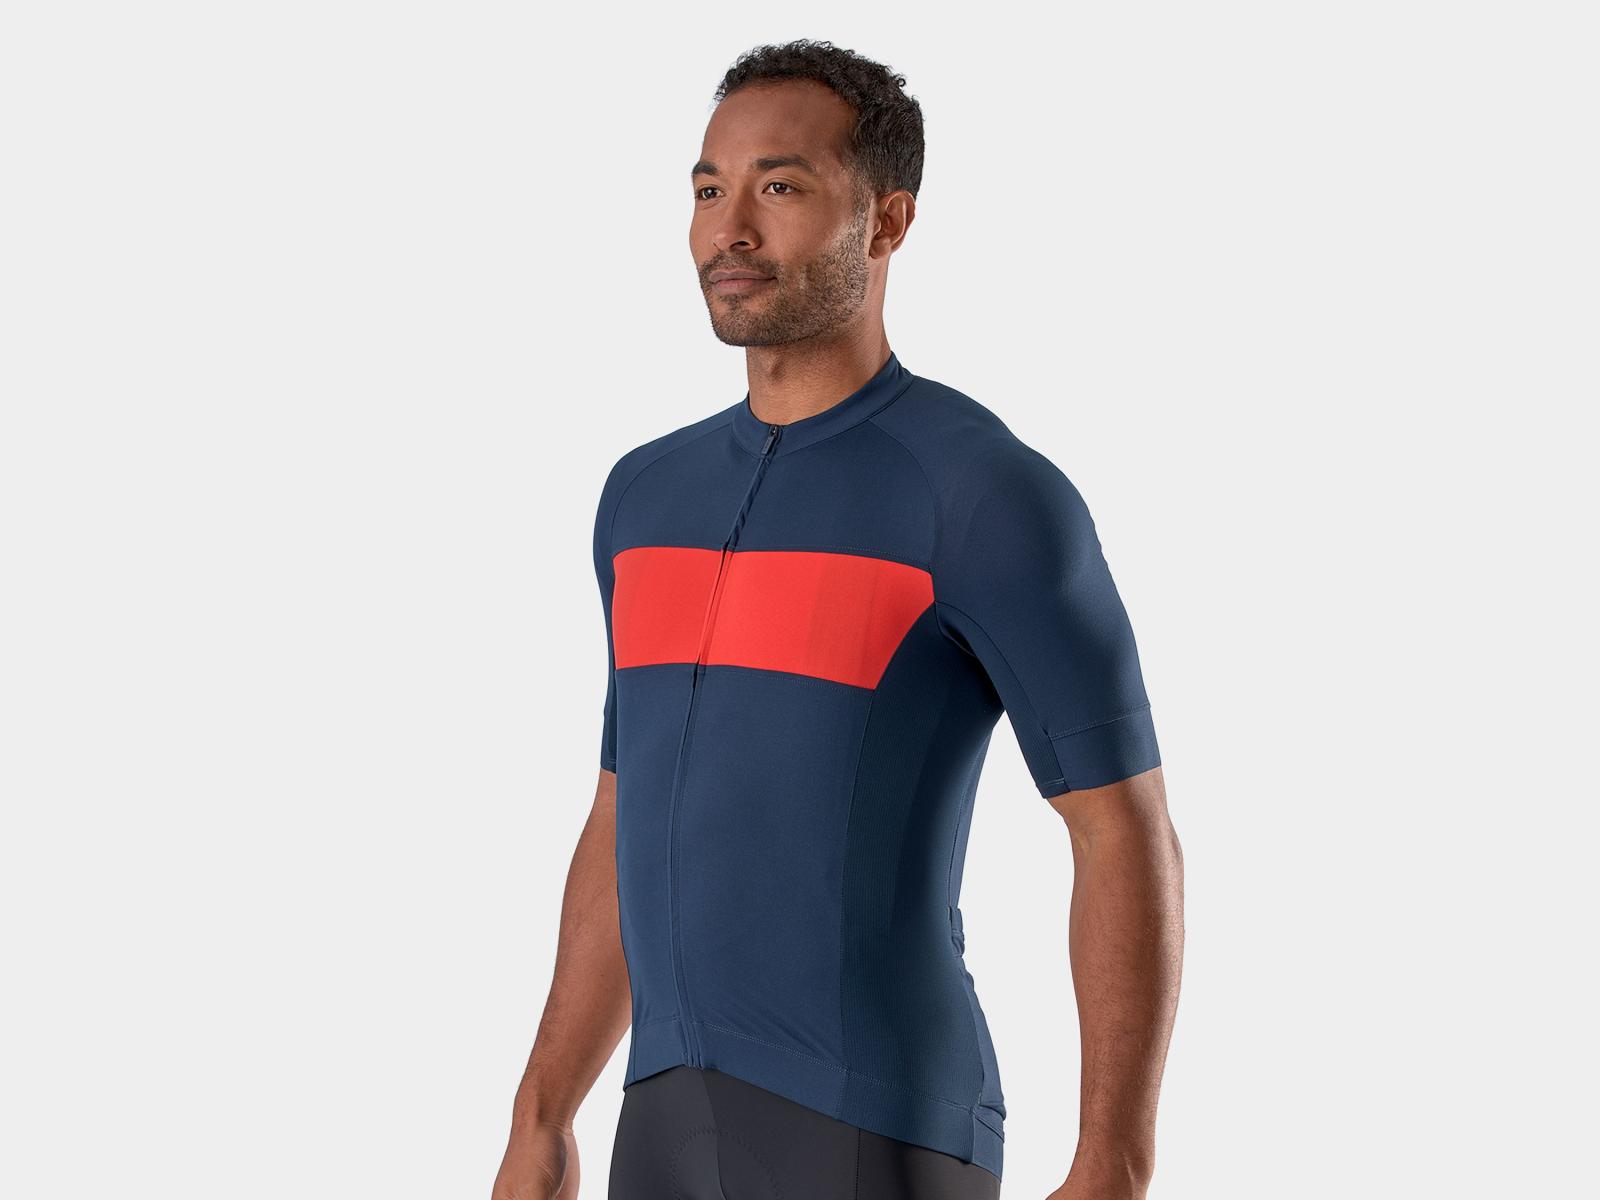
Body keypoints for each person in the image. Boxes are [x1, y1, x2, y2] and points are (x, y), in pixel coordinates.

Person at [492, 38, 1184, 1200]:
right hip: (658, 1126)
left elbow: (1122, 829)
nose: (729, 230)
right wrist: (544, 1112)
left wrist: (1111, 1163)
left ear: (887, 221)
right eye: (708, 189)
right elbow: (623, 815)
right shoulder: (643, 499)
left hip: (876, 1125)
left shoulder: (977, 493)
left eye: (779, 186)